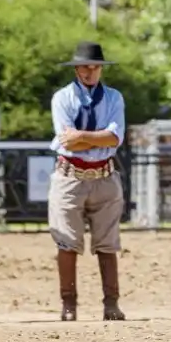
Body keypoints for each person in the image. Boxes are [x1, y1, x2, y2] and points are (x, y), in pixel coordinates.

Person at [48, 41, 127, 322]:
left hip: (104, 175)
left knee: (108, 242)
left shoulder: (114, 98)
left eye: (94, 67)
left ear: (101, 69)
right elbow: (66, 141)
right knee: (66, 241)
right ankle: (69, 304)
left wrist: (82, 138)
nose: (89, 71)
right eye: (84, 66)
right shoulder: (62, 98)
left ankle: (111, 303)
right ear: (76, 69)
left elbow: (115, 139)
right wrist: (100, 137)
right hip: (70, 176)